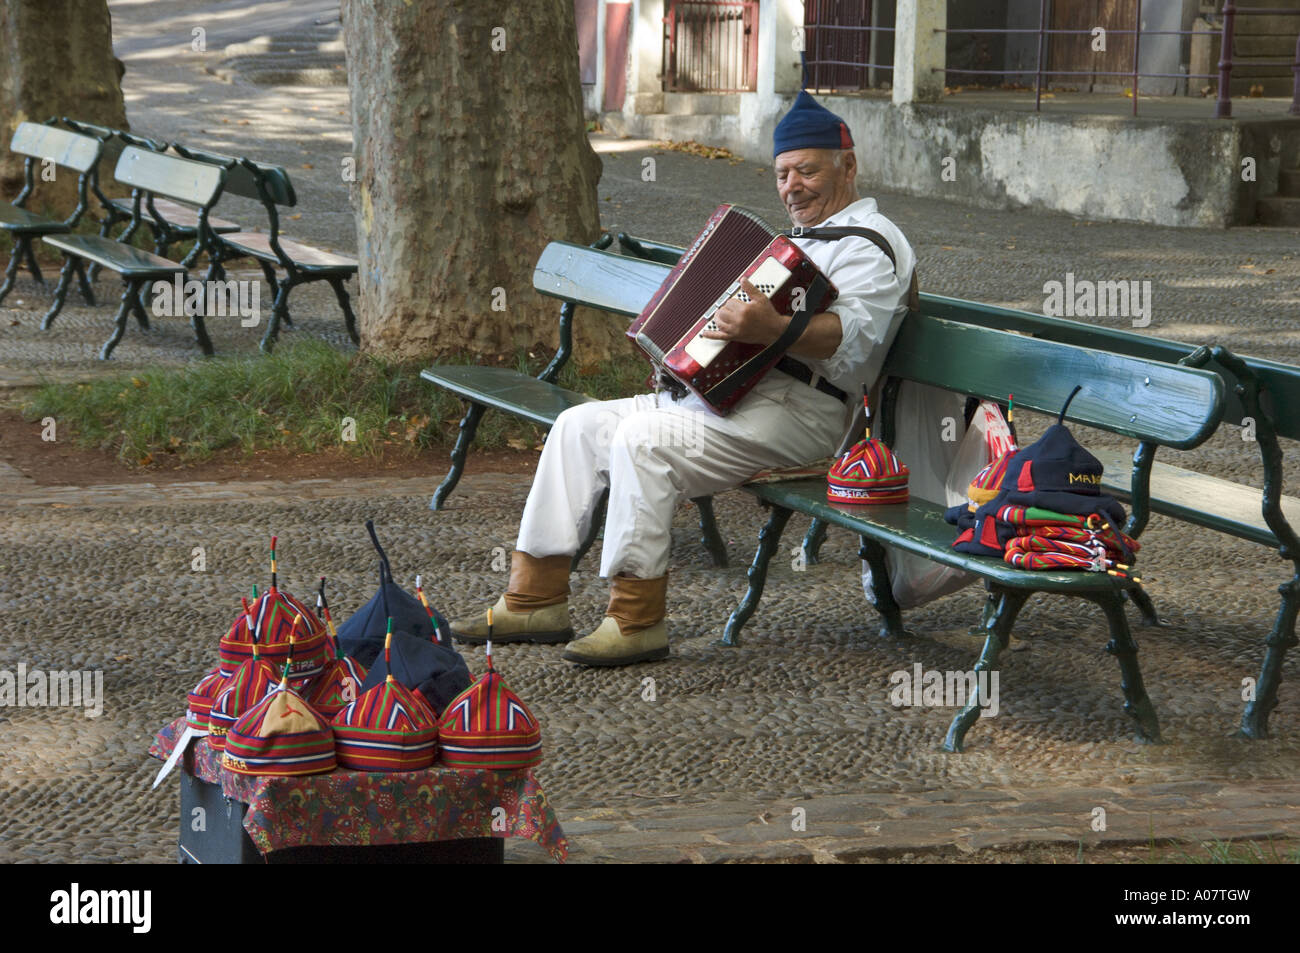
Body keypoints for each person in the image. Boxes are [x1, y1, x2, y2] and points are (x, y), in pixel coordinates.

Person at [450, 91, 918, 666]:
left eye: (807, 170)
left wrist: (772, 327)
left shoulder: (872, 244)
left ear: (848, 165)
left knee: (643, 442)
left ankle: (635, 618)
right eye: (781, 174)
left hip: (803, 417)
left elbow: (857, 341)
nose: (792, 186)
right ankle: (535, 596)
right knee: (577, 425)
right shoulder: (793, 242)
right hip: (731, 404)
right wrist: (685, 356)